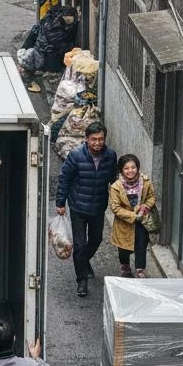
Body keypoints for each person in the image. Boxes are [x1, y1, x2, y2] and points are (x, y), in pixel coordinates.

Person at [55, 121, 117, 297]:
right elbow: (64, 179)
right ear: (86, 139)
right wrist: (60, 203)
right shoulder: (75, 156)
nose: (97, 143)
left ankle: (83, 261)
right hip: (78, 207)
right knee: (80, 245)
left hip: (98, 206)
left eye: (101, 139)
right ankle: (82, 280)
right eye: (94, 140)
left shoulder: (110, 156)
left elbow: (114, 179)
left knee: (96, 240)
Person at [109, 154, 157, 278]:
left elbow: (151, 197)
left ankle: (140, 269)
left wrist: (146, 206)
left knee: (141, 245)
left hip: (142, 221)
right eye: (126, 168)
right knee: (124, 248)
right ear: (121, 170)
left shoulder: (145, 182)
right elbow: (115, 207)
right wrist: (132, 215)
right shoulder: (116, 187)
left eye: (133, 167)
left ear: (138, 167)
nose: (130, 171)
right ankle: (125, 266)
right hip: (124, 223)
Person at [17, 4, 79, 77]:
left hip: (42, 51)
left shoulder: (49, 19)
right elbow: (60, 46)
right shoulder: (55, 27)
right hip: (48, 57)